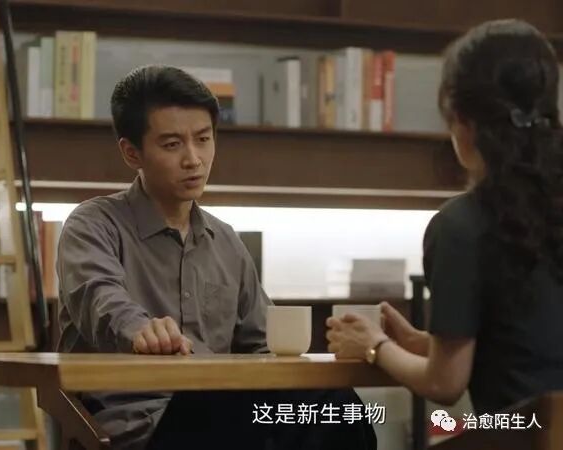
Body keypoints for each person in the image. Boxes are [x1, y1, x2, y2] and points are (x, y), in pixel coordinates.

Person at [57, 65, 376, 450]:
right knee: (229, 401)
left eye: (203, 139)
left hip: (224, 415)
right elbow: (100, 300)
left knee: (338, 404)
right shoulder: (93, 225)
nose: (194, 159)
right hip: (139, 427)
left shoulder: (225, 241)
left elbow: (263, 344)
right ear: (131, 152)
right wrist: (140, 330)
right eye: (172, 145)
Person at [327, 19, 563, 415]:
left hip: (521, 437)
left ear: (463, 123)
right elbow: (525, 348)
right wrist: (420, 343)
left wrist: (373, 346)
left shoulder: (462, 225)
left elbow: (444, 383)